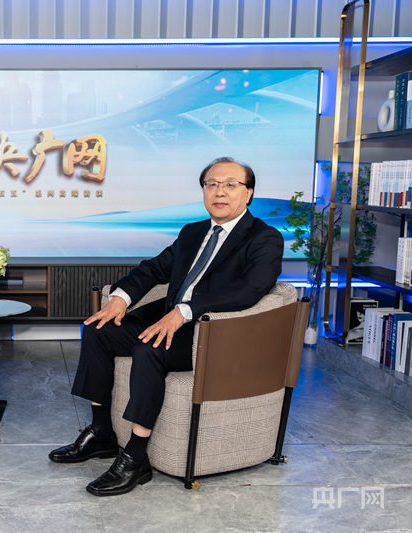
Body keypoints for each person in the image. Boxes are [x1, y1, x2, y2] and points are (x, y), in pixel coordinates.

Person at [49, 156, 283, 496]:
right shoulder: (193, 232)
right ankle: (102, 433)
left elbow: (250, 290)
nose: (219, 192)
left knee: (151, 347)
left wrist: (185, 311)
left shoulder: (265, 238)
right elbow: (154, 268)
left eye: (230, 184)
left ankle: (135, 457)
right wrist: (121, 297)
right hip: (170, 316)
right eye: (211, 184)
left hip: (211, 332)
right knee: (99, 330)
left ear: (248, 193)